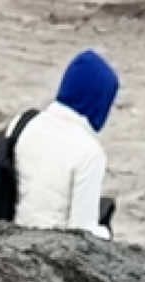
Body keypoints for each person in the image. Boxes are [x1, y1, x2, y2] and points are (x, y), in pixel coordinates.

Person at [11, 50, 120, 240]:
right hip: (49, 249)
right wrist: (106, 232)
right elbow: (82, 231)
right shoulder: (90, 153)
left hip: (7, 237)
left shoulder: (22, 122)